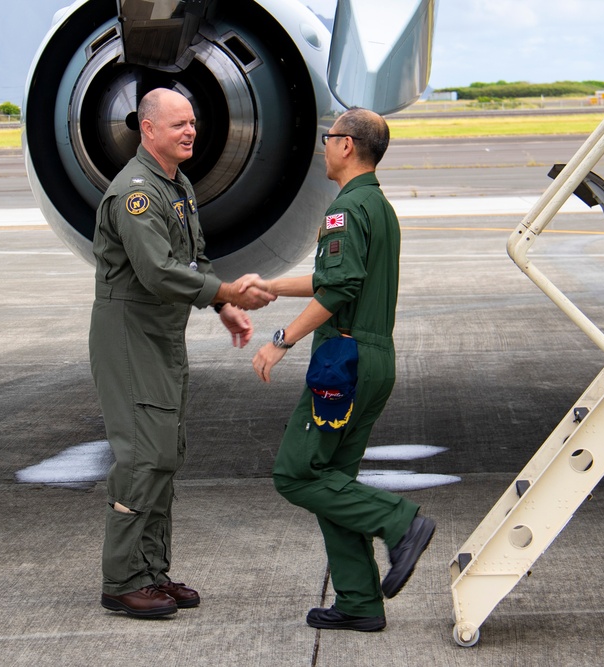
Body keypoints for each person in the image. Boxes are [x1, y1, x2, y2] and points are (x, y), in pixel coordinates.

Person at [90, 87, 274, 618]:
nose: (190, 132)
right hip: (129, 335)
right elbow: (156, 270)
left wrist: (222, 308)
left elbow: (191, 259)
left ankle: (151, 571)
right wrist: (227, 292)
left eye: (191, 123)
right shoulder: (137, 193)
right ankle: (121, 579)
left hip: (162, 333)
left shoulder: (178, 185)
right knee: (141, 456)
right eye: (178, 125)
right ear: (147, 130)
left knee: (166, 454)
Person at [251, 107, 435, 632]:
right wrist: (268, 284)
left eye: (329, 137)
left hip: (344, 360)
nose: (324, 146)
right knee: (333, 480)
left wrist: (282, 338)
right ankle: (358, 601)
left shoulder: (344, 211)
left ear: (348, 146)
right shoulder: (377, 206)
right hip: (375, 356)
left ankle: (398, 522)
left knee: (295, 473)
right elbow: (333, 275)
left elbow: (338, 288)